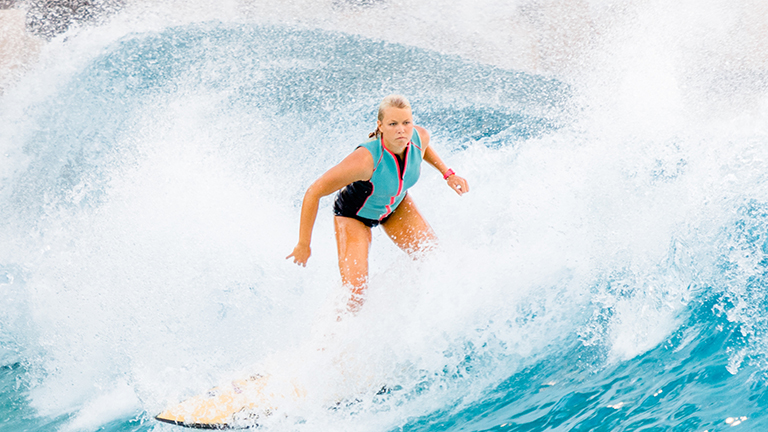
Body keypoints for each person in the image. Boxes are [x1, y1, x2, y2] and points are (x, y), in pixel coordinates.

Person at [286, 94, 469, 313]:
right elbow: (313, 192)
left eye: (406, 123)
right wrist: (303, 244)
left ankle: (419, 312)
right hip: (355, 216)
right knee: (355, 293)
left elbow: (423, 147)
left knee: (432, 257)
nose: (401, 130)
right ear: (380, 126)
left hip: (395, 206)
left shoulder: (419, 137)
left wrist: (448, 174)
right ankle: (331, 340)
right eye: (393, 124)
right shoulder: (365, 160)